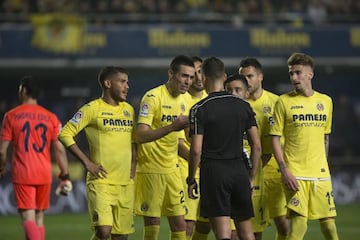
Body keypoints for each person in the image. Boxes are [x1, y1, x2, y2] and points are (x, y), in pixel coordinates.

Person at [187, 56, 261, 240]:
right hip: (239, 171)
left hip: (214, 173)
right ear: (224, 77)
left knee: (223, 234)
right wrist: (250, 176)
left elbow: (196, 149)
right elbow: (257, 146)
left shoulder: (199, 108)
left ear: (203, 78)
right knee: (247, 233)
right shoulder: (244, 106)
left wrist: (190, 178)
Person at [58, 66, 136, 240]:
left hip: (125, 183)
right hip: (101, 182)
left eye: (128, 82)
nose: (127, 86)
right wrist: (87, 162)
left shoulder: (129, 110)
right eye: (122, 82)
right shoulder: (92, 109)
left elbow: (133, 141)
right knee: (104, 231)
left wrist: (133, 165)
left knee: (121, 237)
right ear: (107, 83)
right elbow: (65, 133)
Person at [269, 52, 339, 240]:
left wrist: (324, 165)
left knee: (330, 228)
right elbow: (274, 138)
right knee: (299, 226)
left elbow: (325, 137)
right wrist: (284, 170)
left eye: (298, 73)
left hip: (320, 174)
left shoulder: (325, 101)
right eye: (291, 73)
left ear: (310, 74)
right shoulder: (283, 102)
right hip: (295, 173)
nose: (294, 77)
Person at [0, 76, 72, 240]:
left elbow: (2, 151)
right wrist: (65, 175)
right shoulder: (51, 117)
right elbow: (60, 149)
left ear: (24, 90)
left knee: (27, 218)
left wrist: (1, 166)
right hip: (44, 172)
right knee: (39, 218)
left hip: (23, 172)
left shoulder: (11, 116)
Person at [134, 55, 195, 240]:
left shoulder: (187, 100)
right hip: (151, 171)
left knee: (180, 225)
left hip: (173, 171)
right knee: (153, 225)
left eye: (191, 78)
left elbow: (183, 140)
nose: (188, 82)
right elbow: (140, 135)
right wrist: (172, 127)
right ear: (171, 73)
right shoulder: (152, 97)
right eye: (184, 76)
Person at [239, 57, 289, 240]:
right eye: (243, 77)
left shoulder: (277, 102)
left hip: (273, 172)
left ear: (261, 77)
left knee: (284, 225)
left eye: (250, 76)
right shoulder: (238, 102)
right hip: (248, 171)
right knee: (253, 228)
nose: (246, 81)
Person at [177, 56, 208, 240]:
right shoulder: (181, 100)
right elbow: (179, 144)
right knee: (188, 225)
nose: (197, 77)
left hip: (210, 170)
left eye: (200, 71)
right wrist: (200, 162)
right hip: (188, 169)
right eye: (193, 72)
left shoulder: (211, 99)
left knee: (205, 225)